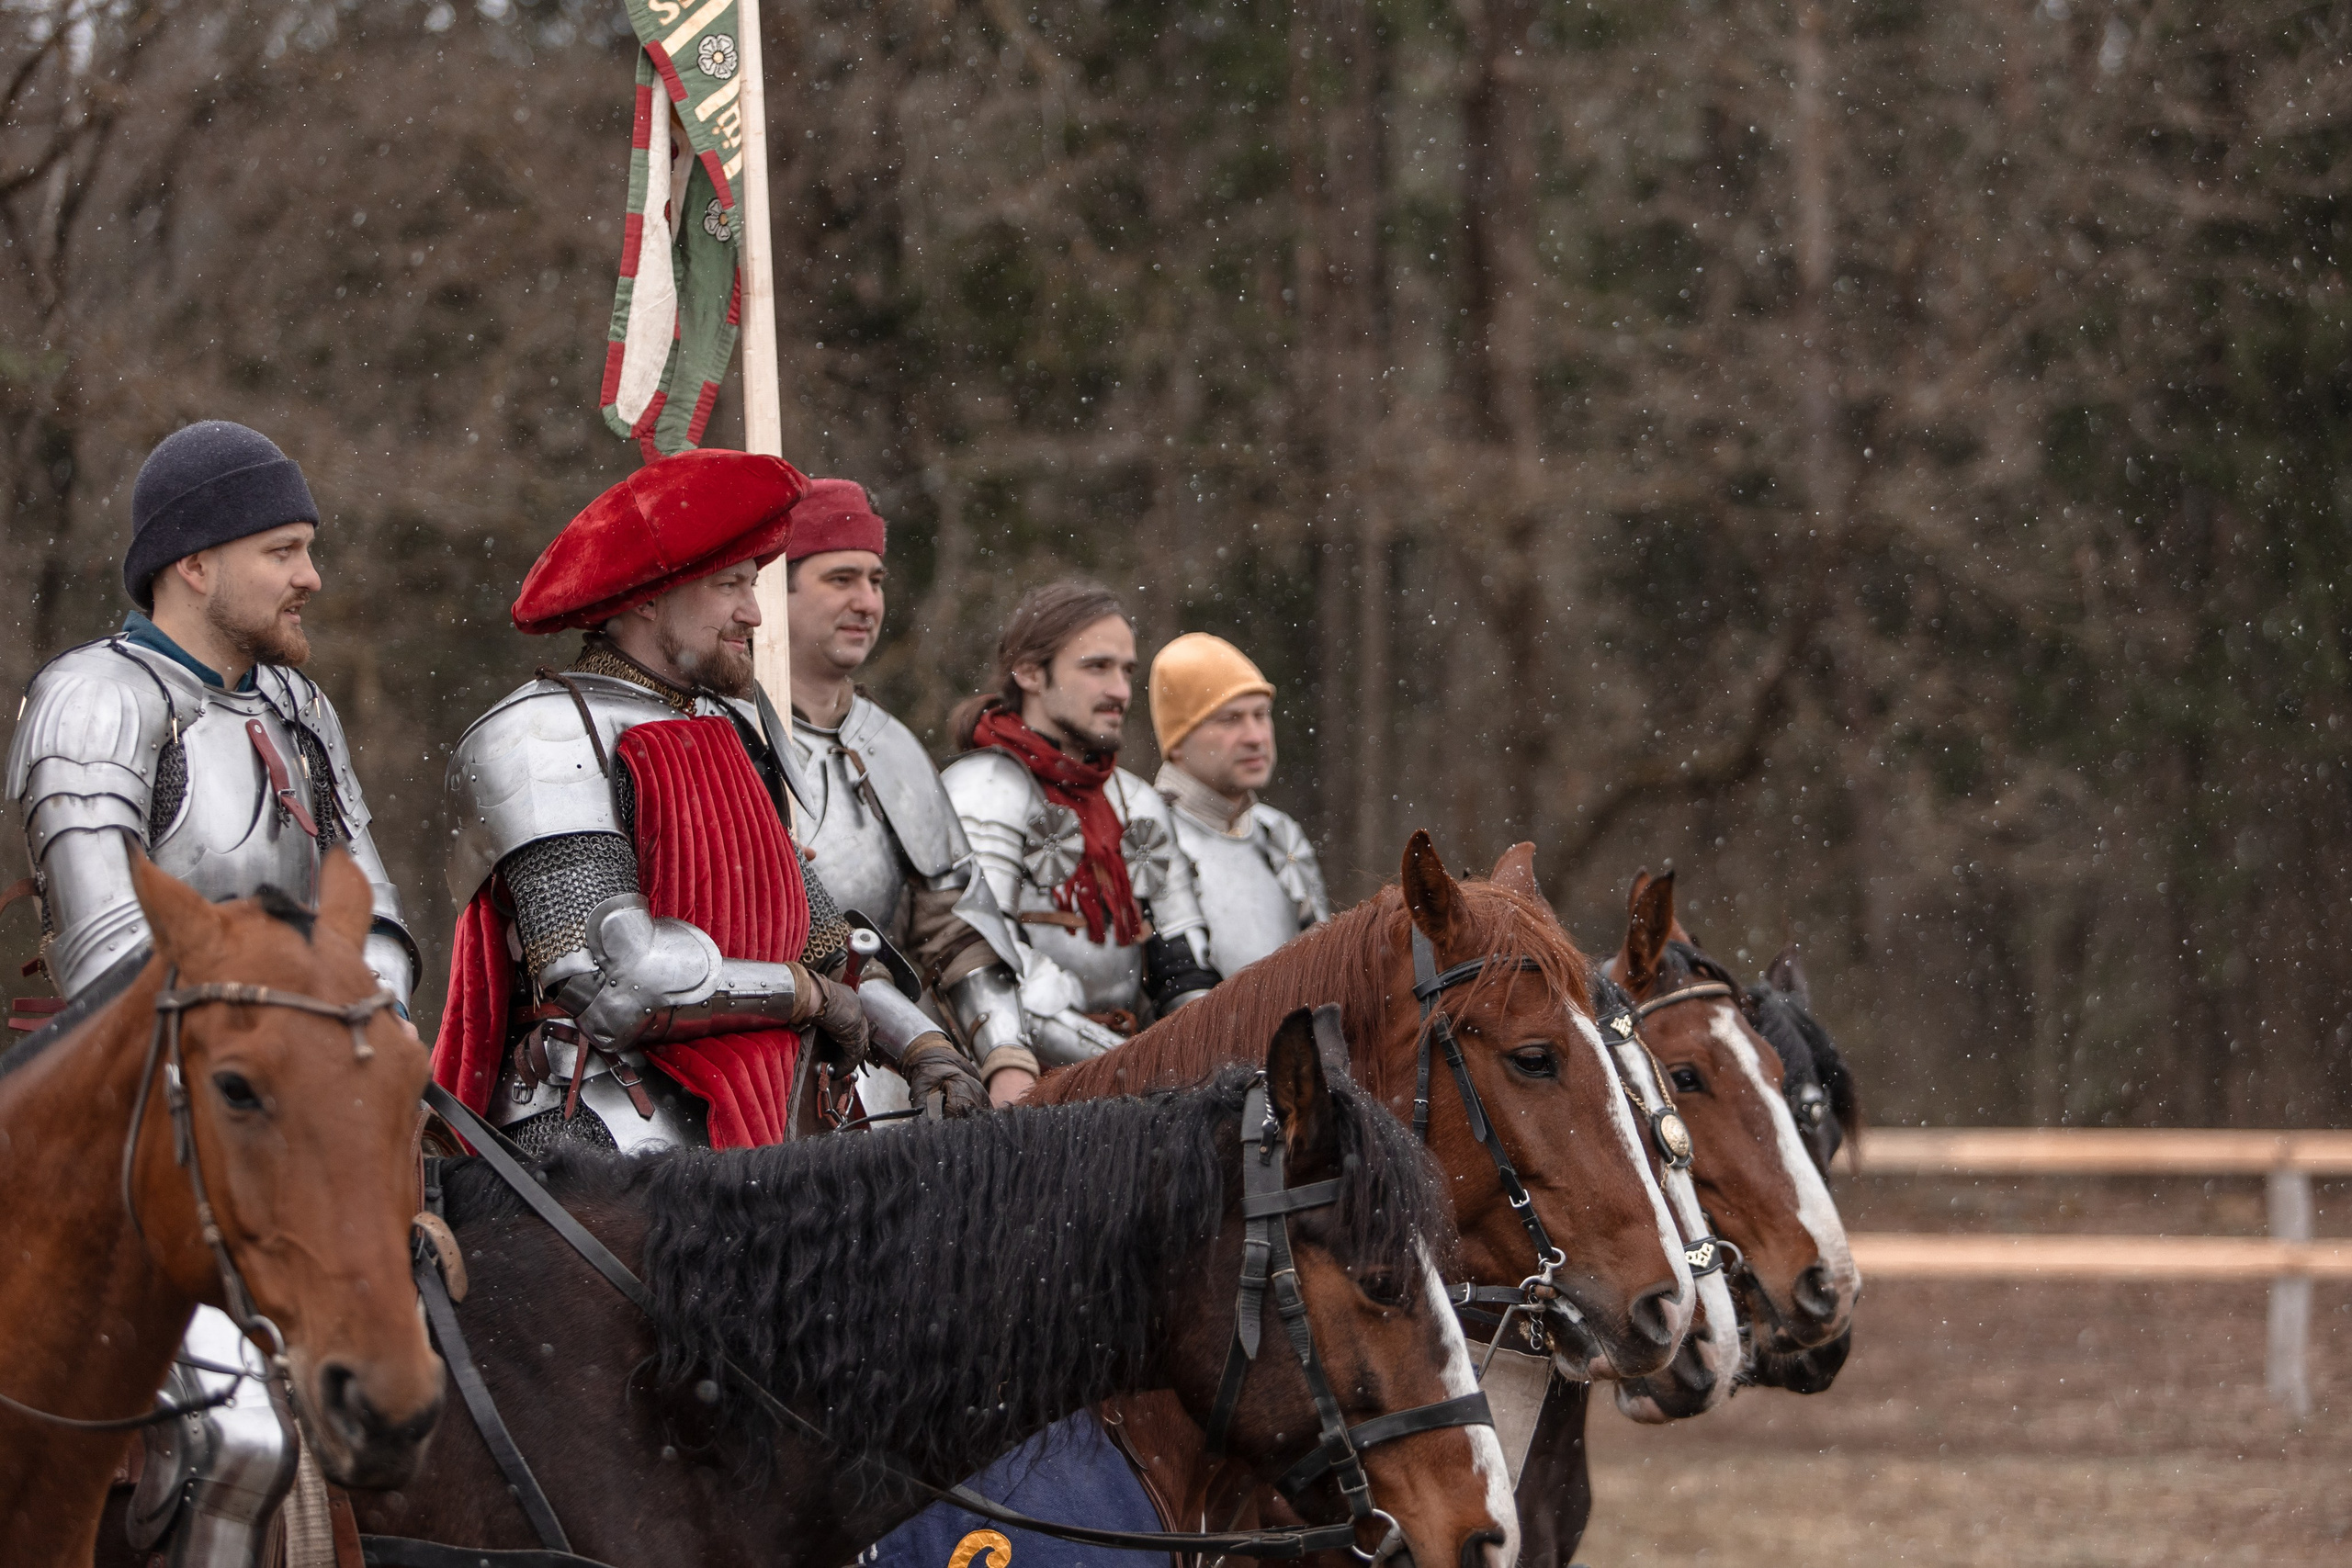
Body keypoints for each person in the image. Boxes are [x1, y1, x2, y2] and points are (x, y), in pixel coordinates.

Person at [5, 419, 420, 1568]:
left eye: (309, 549)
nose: (311, 578)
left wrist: (363, 1048)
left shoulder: (301, 708)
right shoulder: (94, 700)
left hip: (313, 1107)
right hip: (152, 1121)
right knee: (228, 1435)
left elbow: (369, 910)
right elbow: (108, 955)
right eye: (284, 551)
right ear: (194, 563)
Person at [432, 449, 986, 1160]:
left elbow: (820, 940)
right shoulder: (545, 734)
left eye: (753, 584)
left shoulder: (723, 730)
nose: (754, 612)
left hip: (769, 1128)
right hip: (608, 1135)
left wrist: (926, 1047)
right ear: (645, 596)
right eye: (730, 585)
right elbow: (614, 981)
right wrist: (807, 997)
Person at [781, 479, 1038, 1106]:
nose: (867, 601)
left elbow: (955, 929)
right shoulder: (718, 735)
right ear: (771, 586)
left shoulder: (890, 747)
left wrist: (1008, 1063)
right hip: (760, 1086)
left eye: (876, 580)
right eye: (840, 579)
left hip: (899, 1085)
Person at [940, 581, 1220, 1066]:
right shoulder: (984, 789)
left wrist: (1200, 1060)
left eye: (1127, 670)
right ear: (1030, 672)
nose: (1120, 691)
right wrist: (1128, 1069)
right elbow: (983, 964)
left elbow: (1183, 967)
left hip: (1133, 1079)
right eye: (1097, 668)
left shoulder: (1136, 802)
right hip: (1008, 1082)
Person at [1148, 633, 1329, 975]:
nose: (1255, 736)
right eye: (1231, 719)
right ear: (1177, 740)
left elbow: (1324, 979)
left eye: (1261, 715)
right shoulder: (1144, 835)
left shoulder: (1278, 834)